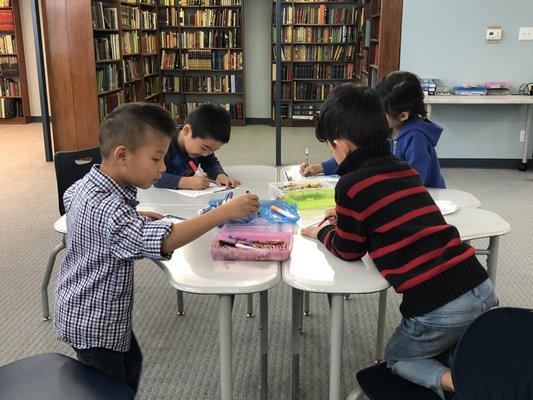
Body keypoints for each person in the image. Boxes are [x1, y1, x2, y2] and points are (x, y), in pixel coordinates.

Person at [301, 84, 497, 399]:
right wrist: (347, 214)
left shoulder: (351, 184)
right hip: (480, 286)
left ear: (341, 145)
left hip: (439, 306)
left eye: (331, 147)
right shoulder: (404, 169)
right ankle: (464, 360)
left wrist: (321, 232)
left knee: (398, 358)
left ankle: (460, 384)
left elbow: (348, 250)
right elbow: (388, 210)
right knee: (449, 341)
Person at [54, 103, 259, 393]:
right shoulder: (108, 211)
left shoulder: (91, 187)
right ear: (122, 155)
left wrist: (132, 217)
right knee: (109, 387)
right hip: (95, 320)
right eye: (156, 159)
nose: (163, 168)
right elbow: (165, 239)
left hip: (90, 310)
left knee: (131, 363)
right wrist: (224, 212)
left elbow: (71, 197)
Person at [300, 71, 446, 189]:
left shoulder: (416, 138)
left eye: (383, 113)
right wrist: (319, 168)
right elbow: (351, 155)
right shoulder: (386, 128)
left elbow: (415, 182)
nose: (376, 116)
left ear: (403, 116)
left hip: (425, 197)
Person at [154, 103, 240, 190]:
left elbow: (210, 163)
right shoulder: (164, 144)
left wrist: (220, 175)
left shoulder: (204, 150)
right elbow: (153, 176)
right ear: (187, 131)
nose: (206, 154)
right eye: (204, 148)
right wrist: (186, 182)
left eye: (213, 150)